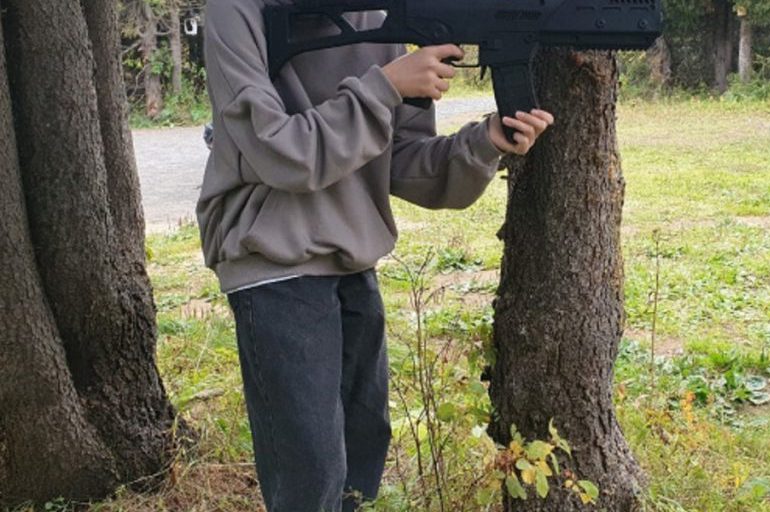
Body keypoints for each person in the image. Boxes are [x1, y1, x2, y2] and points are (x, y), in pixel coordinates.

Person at [196, 2, 554, 511]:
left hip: (351, 258)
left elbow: (402, 161)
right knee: (311, 473)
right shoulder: (238, 11)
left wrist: (485, 140)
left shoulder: (374, 15)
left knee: (360, 459)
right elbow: (276, 150)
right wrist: (386, 85)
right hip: (270, 257)